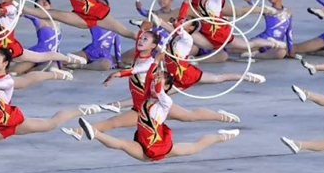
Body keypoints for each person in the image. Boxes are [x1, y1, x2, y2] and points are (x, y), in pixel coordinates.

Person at [77, 67, 240, 162]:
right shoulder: (146, 97)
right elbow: (147, 74)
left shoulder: (165, 102)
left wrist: (158, 82)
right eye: (155, 79)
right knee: (122, 144)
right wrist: (155, 62)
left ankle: (223, 136)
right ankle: (95, 133)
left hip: (158, 147)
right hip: (143, 146)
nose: (155, 81)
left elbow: (160, 91)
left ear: (166, 87)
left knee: (195, 147)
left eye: (159, 80)